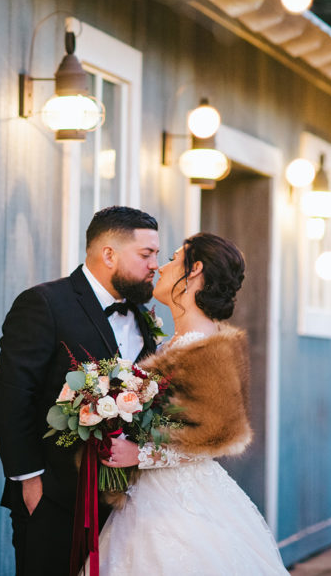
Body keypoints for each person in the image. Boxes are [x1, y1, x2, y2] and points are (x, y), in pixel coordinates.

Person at [98, 232, 289, 575]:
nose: (162, 267)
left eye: (172, 258)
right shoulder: (179, 340)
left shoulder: (203, 345)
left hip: (176, 502)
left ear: (195, 270)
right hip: (150, 492)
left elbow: (214, 437)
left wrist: (138, 454)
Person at [0, 206, 161, 576]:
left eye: (157, 256)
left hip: (124, 504)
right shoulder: (44, 303)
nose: (155, 266)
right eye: (146, 255)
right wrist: (30, 482)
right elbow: (12, 395)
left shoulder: (143, 316)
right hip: (54, 498)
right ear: (108, 254)